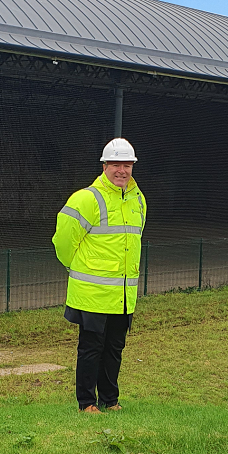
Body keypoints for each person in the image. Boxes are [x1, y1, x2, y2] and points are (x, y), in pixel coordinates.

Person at [52, 138, 146, 413]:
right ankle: (86, 403)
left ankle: (110, 400)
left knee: (115, 348)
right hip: (92, 294)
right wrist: (78, 268)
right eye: (116, 164)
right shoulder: (86, 198)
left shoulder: (138, 200)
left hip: (123, 294)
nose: (122, 170)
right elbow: (64, 242)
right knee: (91, 349)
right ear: (104, 166)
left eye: (127, 164)